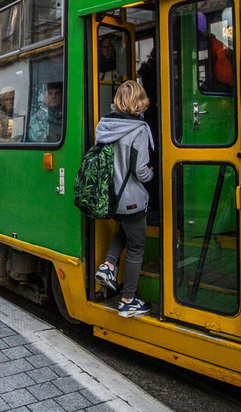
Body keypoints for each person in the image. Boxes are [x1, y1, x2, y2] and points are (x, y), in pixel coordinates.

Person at [92, 81, 155, 317]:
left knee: (125, 230)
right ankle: (128, 300)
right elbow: (140, 172)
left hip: (112, 197)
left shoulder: (105, 125)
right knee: (137, 248)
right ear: (139, 102)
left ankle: (108, 266)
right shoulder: (139, 130)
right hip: (131, 198)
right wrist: (152, 173)